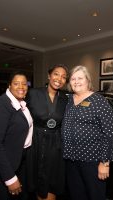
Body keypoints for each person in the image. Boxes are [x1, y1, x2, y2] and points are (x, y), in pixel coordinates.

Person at [61, 65, 113, 200]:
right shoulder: (69, 100)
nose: (76, 82)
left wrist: (105, 163)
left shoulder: (99, 101)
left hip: (92, 160)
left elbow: (109, 134)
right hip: (71, 159)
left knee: (95, 195)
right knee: (76, 195)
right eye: (73, 79)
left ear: (88, 80)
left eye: (80, 78)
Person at [0, 71, 33, 200]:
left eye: (24, 84)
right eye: (16, 83)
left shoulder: (20, 103)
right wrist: (9, 178)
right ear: (9, 86)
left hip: (16, 160)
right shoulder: (1, 105)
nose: (21, 87)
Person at [26, 64, 68, 200]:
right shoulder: (32, 93)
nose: (59, 79)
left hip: (55, 145)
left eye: (63, 77)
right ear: (49, 76)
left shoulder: (65, 99)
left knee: (52, 181)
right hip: (36, 143)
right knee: (38, 180)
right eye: (56, 74)